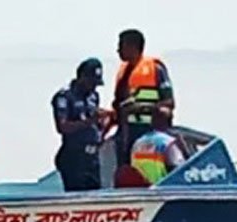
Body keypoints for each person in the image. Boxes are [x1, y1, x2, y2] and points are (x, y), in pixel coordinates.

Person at [112, 29, 175, 168]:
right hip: (125, 132)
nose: (118, 50)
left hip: (148, 132)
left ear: (133, 46)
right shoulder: (124, 71)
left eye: (121, 46)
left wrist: (141, 107)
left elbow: (169, 102)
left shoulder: (156, 69)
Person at [51, 58, 111, 191]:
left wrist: (103, 124)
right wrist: (89, 122)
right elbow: (63, 127)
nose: (94, 87)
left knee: (95, 195)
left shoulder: (93, 96)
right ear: (82, 77)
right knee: (77, 194)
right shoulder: (65, 96)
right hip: (74, 156)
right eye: (91, 82)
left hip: (92, 157)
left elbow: (95, 125)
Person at [130, 106, 186, 184]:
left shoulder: (138, 143)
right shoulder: (168, 143)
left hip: (141, 192)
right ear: (169, 123)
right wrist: (184, 149)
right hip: (162, 191)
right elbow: (181, 170)